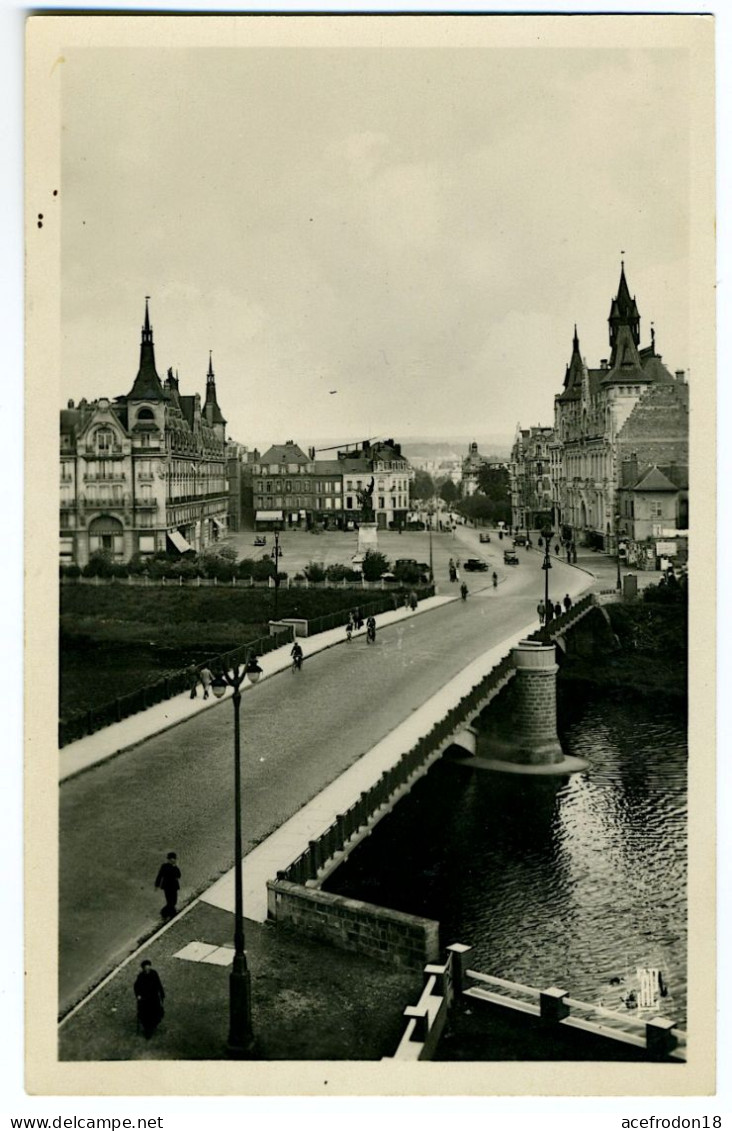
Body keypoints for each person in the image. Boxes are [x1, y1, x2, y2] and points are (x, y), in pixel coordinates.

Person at [134, 960, 165, 1039]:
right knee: (146, 1015)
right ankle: (148, 1031)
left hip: (154, 998)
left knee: (156, 1013)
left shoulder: (154, 974)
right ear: (143, 968)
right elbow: (136, 987)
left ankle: (153, 1026)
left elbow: (158, 983)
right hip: (145, 999)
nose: (148, 969)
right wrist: (138, 995)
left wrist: (162, 993)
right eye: (146, 968)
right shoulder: (141, 976)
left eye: (149, 967)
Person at [155, 852, 181, 920]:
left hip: (174, 886)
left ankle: (165, 912)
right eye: (173, 859)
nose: (174, 860)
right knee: (170, 901)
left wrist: (175, 867)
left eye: (175, 859)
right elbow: (160, 876)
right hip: (167, 887)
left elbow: (178, 875)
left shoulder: (175, 867)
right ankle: (171, 914)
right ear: (169, 859)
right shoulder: (164, 866)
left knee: (174, 901)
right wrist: (157, 885)